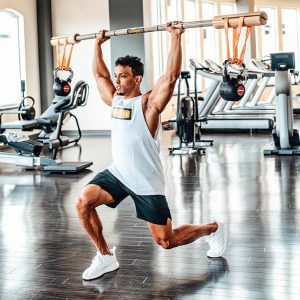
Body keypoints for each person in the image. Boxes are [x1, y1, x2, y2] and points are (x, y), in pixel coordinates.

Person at [76, 21, 227, 281]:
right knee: (83, 203)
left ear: (137, 79)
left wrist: (175, 38)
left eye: (123, 76)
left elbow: (170, 77)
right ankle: (105, 257)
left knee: (166, 241)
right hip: (119, 174)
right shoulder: (115, 100)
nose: (117, 80)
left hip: (146, 181)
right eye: (117, 75)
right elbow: (100, 76)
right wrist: (97, 46)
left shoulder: (148, 106)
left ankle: (212, 229)